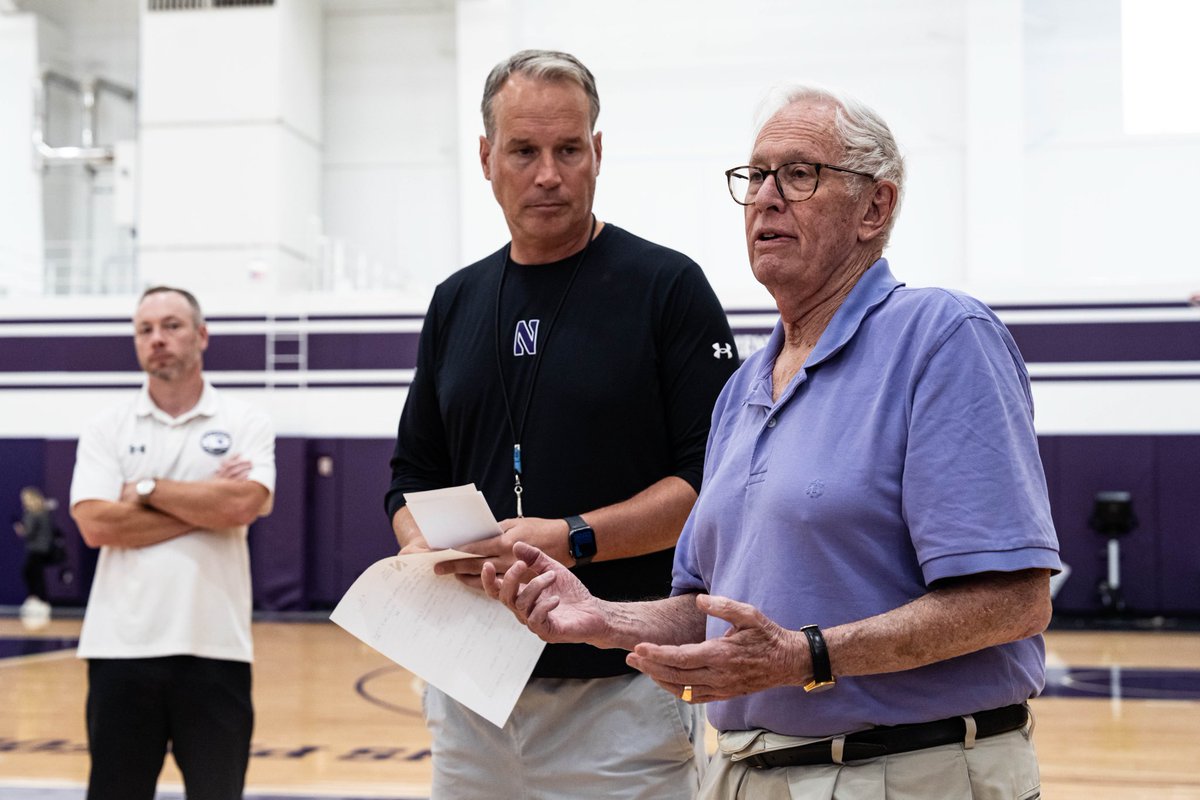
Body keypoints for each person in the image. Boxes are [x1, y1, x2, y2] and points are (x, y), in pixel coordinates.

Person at [484, 85, 1061, 800]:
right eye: (755, 176)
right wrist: (601, 618)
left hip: (910, 772)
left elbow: (1012, 601)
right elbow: (708, 610)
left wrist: (806, 655)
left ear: (875, 207)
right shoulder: (742, 390)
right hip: (749, 774)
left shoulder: (941, 338)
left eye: (800, 173)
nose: (765, 198)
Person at [384, 49, 738, 799]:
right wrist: (421, 545)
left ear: (597, 153)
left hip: (622, 693)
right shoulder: (456, 301)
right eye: (523, 151)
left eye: (568, 150)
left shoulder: (667, 288)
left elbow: (711, 484)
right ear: (487, 159)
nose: (548, 173)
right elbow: (410, 476)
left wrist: (571, 538)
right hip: (471, 690)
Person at [70, 286, 276, 800]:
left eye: (172, 325)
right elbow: (96, 525)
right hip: (120, 650)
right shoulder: (106, 427)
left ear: (202, 335)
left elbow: (242, 505)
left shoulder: (245, 421)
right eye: (145, 330)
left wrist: (145, 490)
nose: (157, 339)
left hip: (216, 650)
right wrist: (210, 504)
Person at [14, 486, 57, 619]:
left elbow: (29, 531)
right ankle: (38, 599)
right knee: (34, 573)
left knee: (31, 573)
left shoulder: (33, 513)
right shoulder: (43, 511)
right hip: (44, 548)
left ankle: (39, 599)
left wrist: (21, 529)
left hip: (37, 548)